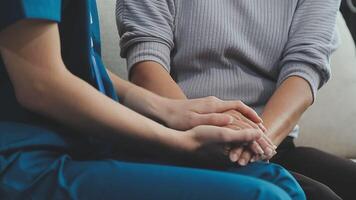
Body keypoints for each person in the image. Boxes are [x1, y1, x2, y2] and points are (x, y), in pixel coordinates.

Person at [0, 0, 306, 199]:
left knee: (278, 181)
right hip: (25, 162)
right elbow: (40, 84)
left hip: (83, 144)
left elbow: (75, 63)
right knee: (266, 197)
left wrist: (172, 110)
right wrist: (178, 141)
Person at [117, 0, 356, 199]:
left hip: (270, 142)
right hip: (182, 142)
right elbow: (147, 67)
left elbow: (305, 70)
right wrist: (207, 133)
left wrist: (252, 143)